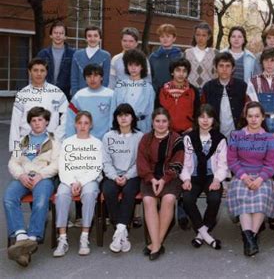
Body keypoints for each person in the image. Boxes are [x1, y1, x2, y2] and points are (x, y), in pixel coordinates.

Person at [4, 107, 59, 267]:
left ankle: (33, 236)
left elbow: (57, 164)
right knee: (9, 198)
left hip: (43, 178)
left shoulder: (54, 142)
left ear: (46, 121)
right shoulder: (22, 141)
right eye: (33, 120)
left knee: (41, 201)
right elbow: (13, 162)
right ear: (30, 123)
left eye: (40, 120)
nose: (37, 123)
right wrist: (21, 175)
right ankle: (21, 237)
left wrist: (41, 175)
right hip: (23, 177)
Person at [226, 102, 274, 257]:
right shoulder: (236, 136)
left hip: (262, 177)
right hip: (241, 175)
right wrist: (244, 177)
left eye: (257, 116)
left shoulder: (269, 138)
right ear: (246, 117)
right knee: (243, 198)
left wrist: (260, 179)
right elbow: (232, 160)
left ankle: (250, 239)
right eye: (250, 116)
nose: (254, 119)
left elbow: (271, 164)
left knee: (261, 198)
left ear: (263, 117)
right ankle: (251, 241)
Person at [53, 111, 103, 257]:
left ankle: (84, 236)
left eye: (86, 123)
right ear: (75, 124)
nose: (82, 126)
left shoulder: (96, 143)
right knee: (61, 194)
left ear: (91, 125)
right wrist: (72, 182)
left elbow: (96, 167)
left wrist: (81, 182)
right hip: (69, 179)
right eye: (80, 123)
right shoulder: (68, 142)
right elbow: (62, 166)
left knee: (89, 193)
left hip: (88, 179)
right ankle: (62, 239)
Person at [137, 108, 184, 260]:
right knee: (148, 200)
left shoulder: (176, 139)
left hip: (170, 178)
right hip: (149, 178)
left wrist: (163, 180)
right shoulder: (146, 139)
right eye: (157, 121)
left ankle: (155, 244)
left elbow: (178, 163)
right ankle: (157, 244)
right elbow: (141, 163)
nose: (161, 124)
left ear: (169, 122)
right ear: (152, 122)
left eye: (164, 121)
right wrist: (152, 179)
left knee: (169, 199)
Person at [181, 104, 228, 249]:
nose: (205, 120)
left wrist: (217, 180)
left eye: (209, 117)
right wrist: (186, 178)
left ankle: (201, 234)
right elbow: (185, 162)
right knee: (187, 199)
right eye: (202, 117)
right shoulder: (189, 138)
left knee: (214, 198)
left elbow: (222, 164)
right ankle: (205, 234)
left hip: (211, 176)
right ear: (197, 119)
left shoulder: (219, 139)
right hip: (193, 176)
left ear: (214, 119)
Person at [102, 104, 143, 253]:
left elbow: (140, 162)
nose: (123, 118)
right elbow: (105, 161)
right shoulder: (108, 136)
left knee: (129, 192)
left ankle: (119, 229)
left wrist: (126, 176)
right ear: (116, 118)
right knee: (108, 191)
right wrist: (114, 176)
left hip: (132, 175)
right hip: (112, 175)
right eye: (120, 115)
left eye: (127, 115)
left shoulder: (139, 136)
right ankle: (122, 231)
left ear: (132, 117)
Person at [9, 58, 68, 152]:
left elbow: (67, 117)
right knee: (28, 166)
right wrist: (15, 151)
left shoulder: (57, 93)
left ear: (46, 72)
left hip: (50, 144)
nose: (39, 74)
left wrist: (56, 137)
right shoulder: (22, 94)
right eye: (35, 70)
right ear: (29, 72)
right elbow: (15, 124)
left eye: (42, 70)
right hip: (27, 145)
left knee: (50, 166)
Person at [201, 52, 248, 139]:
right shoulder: (208, 87)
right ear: (215, 67)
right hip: (214, 134)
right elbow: (203, 112)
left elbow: (247, 110)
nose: (224, 69)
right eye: (221, 66)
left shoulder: (242, 86)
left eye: (228, 66)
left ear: (233, 68)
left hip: (238, 134)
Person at [111, 49, 155, 132]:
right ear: (126, 66)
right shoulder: (119, 86)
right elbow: (113, 109)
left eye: (137, 65)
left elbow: (150, 112)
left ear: (142, 67)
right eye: (130, 65)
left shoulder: (148, 88)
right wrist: (112, 128)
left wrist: (149, 133)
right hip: (122, 127)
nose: (133, 68)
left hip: (142, 127)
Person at [66, 64, 114, 140]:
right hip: (84, 140)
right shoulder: (78, 96)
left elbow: (115, 119)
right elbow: (70, 120)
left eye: (95, 75)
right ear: (85, 79)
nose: (92, 79)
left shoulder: (111, 95)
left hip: (106, 141)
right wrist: (70, 139)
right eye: (89, 76)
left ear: (101, 77)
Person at [156, 58, 200, 135]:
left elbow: (198, 112)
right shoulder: (162, 90)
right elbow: (156, 111)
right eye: (178, 70)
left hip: (187, 132)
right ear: (172, 72)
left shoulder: (193, 90)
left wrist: (193, 127)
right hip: (166, 132)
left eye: (184, 71)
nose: (181, 74)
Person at [37, 21, 76, 99]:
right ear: (51, 35)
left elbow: (75, 75)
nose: (58, 35)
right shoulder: (43, 54)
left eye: (61, 33)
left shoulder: (73, 54)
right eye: (55, 33)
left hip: (65, 94)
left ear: (65, 36)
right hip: (46, 93)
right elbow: (36, 73)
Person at [71, 25, 111, 96]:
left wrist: (100, 95)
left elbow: (105, 80)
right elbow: (74, 78)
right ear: (86, 39)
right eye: (89, 36)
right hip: (80, 95)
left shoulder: (106, 56)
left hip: (98, 96)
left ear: (100, 38)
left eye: (95, 36)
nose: (92, 39)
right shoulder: (77, 55)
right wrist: (75, 96)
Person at [149, 24, 183, 92]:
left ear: (174, 38)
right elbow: (150, 77)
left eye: (168, 36)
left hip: (175, 93)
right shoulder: (153, 57)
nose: (165, 39)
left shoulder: (180, 56)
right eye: (162, 36)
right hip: (157, 93)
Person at [184, 22, 216, 90]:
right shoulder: (187, 53)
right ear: (194, 35)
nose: (200, 38)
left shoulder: (214, 53)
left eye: (204, 35)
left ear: (209, 36)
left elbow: (217, 74)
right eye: (198, 35)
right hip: (190, 90)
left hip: (209, 90)